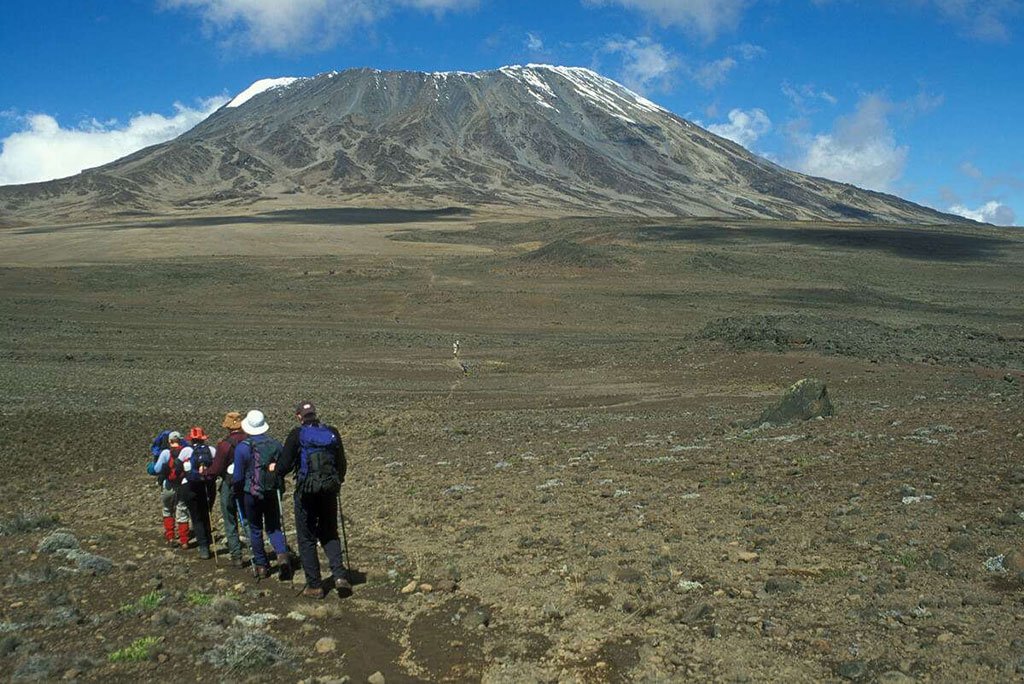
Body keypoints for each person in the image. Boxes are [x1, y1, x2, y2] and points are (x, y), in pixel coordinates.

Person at [279, 401, 351, 599]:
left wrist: (275, 472)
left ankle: (315, 585)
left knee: (307, 537)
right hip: (328, 490)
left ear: (299, 416)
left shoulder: (297, 435)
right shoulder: (331, 432)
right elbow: (342, 463)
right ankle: (339, 576)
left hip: (306, 492)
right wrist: (337, 482)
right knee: (330, 532)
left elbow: (283, 466)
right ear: (315, 414)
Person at [232, 410, 292, 580]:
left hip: (251, 493)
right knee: (274, 526)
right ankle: (282, 556)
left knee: (255, 528)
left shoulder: (243, 448)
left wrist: (237, 492)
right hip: (272, 491)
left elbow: (237, 476)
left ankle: (261, 566)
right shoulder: (275, 444)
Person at [208, 411, 249, 567]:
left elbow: (216, 469)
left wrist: (204, 473)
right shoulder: (249, 441)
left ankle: (236, 556)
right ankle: (256, 554)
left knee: (230, 520)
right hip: (246, 483)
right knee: (247, 519)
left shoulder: (224, 445)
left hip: (229, 483)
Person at [178, 427, 217, 559]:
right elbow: (217, 467)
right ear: (203, 438)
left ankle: (203, 547)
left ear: (191, 439)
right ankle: (208, 540)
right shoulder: (211, 450)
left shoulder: (185, 451)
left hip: (190, 487)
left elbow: (178, 467)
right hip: (207, 486)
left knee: (196, 517)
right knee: (206, 513)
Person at [153, 431, 190, 548]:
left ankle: (170, 536)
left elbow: (157, 469)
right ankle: (184, 540)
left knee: (167, 510)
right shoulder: (186, 451)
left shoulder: (165, 453)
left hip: (168, 485)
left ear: (169, 441)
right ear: (180, 440)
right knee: (182, 510)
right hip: (183, 484)